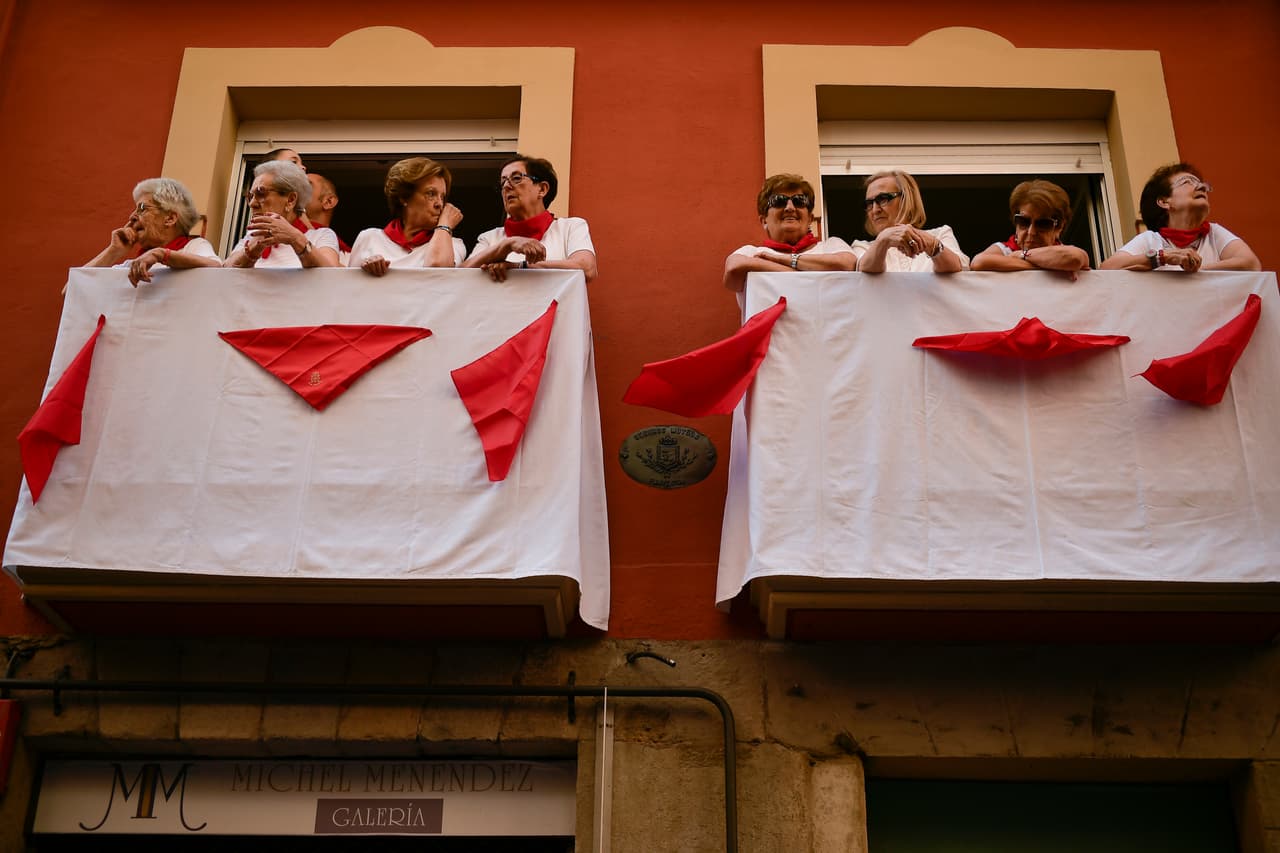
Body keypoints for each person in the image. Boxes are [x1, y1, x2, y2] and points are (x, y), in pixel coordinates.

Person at [1101, 163, 1261, 272]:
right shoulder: (1151, 240)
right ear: (1164, 202)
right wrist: (1162, 257)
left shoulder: (1214, 233)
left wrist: (1197, 270)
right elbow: (1107, 269)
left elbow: (1252, 265)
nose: (1201, 187)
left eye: (1200, 183)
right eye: (1187, 182)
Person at [464, 154, 597, 282]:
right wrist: (507, 245)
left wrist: (520, 268)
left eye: (516, 178)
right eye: (503, 181)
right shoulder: (490, 238)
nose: (506, 186)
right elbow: (460, 276)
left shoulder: (570, 227)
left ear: (542, 189)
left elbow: (587, 269)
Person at [723, 173, 856, 291]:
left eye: (799, 201)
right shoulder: (751, 252)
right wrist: (805, 274)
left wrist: (783, 259)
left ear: (810, 218)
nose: (790, 207)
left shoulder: (831, 246)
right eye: (779, 201)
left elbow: (848, 264)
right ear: (764, 221)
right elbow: (734, 268)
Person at [85, 178, 221, 286]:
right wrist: (114, 251)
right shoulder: (132, 265)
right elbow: (73, 291)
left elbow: (217, 267)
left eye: (142, 208)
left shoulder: (193, 247)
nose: (131, 217)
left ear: (170, 219)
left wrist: (161, 254)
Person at [348, 158, 465, 275]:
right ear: (404, 197)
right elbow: (350, 289)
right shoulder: (369, 238)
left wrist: (444, 225)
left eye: (442, 197)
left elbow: (438, 271)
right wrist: (367, 272)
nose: (439, 203)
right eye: (431, 193)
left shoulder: (452, 244)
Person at [223, 161, 340, 268]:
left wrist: (295, 239)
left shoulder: (321, 236)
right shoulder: (252, 236)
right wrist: (251, 250)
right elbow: (225, 272)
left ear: (291, 200)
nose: (252, 203)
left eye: (261, 193)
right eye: (251, 196)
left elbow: (330, 276)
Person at [971, 179, 1090, 279]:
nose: (1031, 232)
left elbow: (1075, 258)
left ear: (1059, 228)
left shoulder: (1065, 251)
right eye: (1024, 222)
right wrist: (1052, 266)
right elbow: (978, 262)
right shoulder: (1005, 249)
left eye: (1043, 223)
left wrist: (1019, 256)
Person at [852, 170, 967, 273]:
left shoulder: (940, 234)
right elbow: (865, 270)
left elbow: (957, 268)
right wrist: (883, 240)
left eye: (883, 199)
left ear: (906, 199)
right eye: (869, 204)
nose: (875, 210)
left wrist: (931, 244)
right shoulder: (862, 247)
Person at [305, 173, 351, 262]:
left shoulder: (348, 257)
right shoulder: (280, 234)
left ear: (328, 202)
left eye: (306, 185)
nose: (296, 189)